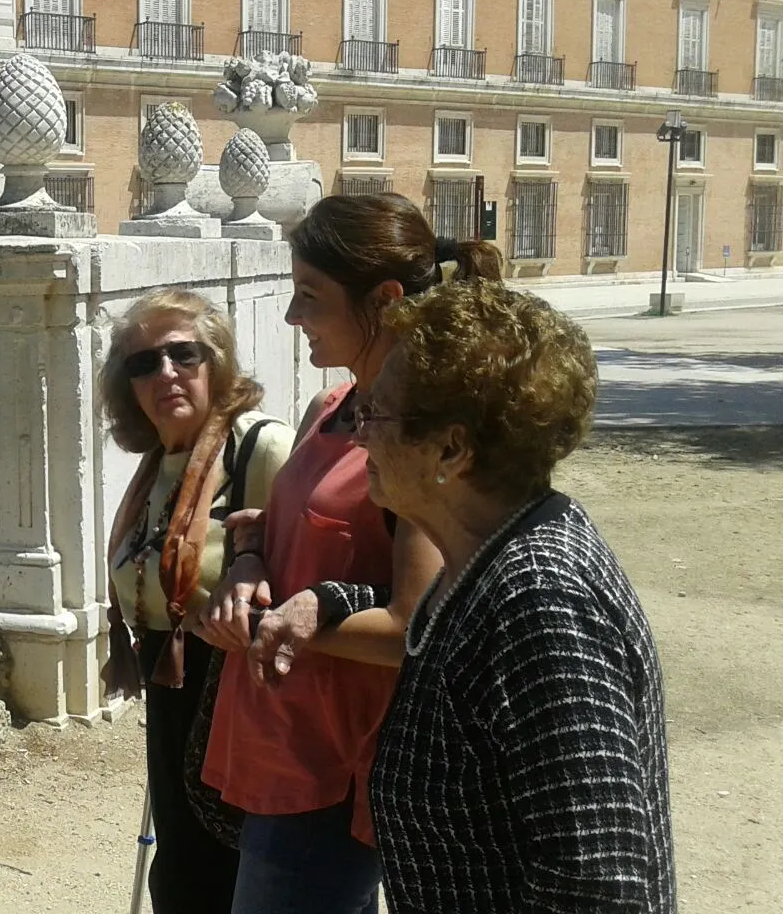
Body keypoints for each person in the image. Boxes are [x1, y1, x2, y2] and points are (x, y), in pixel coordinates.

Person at [197, 194, 500, 914]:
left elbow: (414, 629)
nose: (291, 316)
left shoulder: (420, 435)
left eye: (311, 295)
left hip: (340, 768)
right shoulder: (330, 408)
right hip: (279, 743)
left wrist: (291, 622)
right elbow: (278, 533)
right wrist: (248, 562)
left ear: (386, 299)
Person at [329, 279, 673, 913]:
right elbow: (440, 632)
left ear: (451, 450)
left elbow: (601, 888)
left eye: (374, 414)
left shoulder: (540, 601)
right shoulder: (487, 561)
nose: (358, 437)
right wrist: (323, 603)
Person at [100, 288, 295, 914]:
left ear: (217, 363)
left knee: (224, 866)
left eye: (184, 355)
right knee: (183, 866)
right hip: (172, 682)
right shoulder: (159, 463)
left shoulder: (259, 450)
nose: (166, 374)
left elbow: (300, 582)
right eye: (143, 364)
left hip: (238, 691)